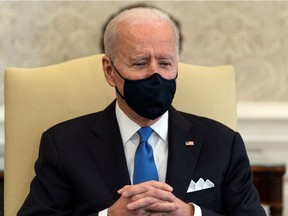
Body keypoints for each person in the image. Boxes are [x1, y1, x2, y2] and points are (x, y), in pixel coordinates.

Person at [18, 6, 266, 216]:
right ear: (109, 71)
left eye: (165, 63)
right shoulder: (64, 144)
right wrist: (108, 215)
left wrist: (190, 213)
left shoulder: (222, 143)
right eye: (139, 63)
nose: (155, 75)